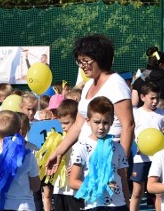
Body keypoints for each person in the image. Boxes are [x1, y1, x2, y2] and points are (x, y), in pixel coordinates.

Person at [47, 34, 135, 179]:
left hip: (109, 157)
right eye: (80, 61)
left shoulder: (116, 85)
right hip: (88, 157)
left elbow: (128, 125)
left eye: (86, 61)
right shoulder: (88, 84)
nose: (82, 66)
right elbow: (77, 126)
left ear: (100, 58)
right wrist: (57, 153)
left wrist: (121, 164)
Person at [129, 80, 164, 211]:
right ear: (143, 97)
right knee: (137, 191)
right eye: (152, 98)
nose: (155, 101)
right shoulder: (136, 114)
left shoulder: (163, 115)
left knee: (159, 191)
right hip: (140, 158)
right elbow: (130, 134)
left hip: (158, 158)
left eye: (157, 98)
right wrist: (134, 146)